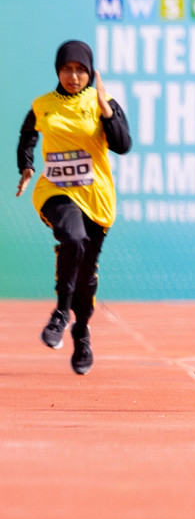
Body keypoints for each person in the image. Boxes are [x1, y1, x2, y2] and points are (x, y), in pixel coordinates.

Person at [15, 40, 133, 375]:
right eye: (67, 69)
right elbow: (27, 136)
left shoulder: (101, 102)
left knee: (86, 275)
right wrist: (25, 166)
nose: (74, 76)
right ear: (58, 70)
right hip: (56, 191)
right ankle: (60, 313)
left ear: (89, 72)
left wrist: (107, 112)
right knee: (73, 239)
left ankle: (81, 334)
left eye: (81, 70)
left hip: (96, 197)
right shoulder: (43, 104)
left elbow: (123, 145)